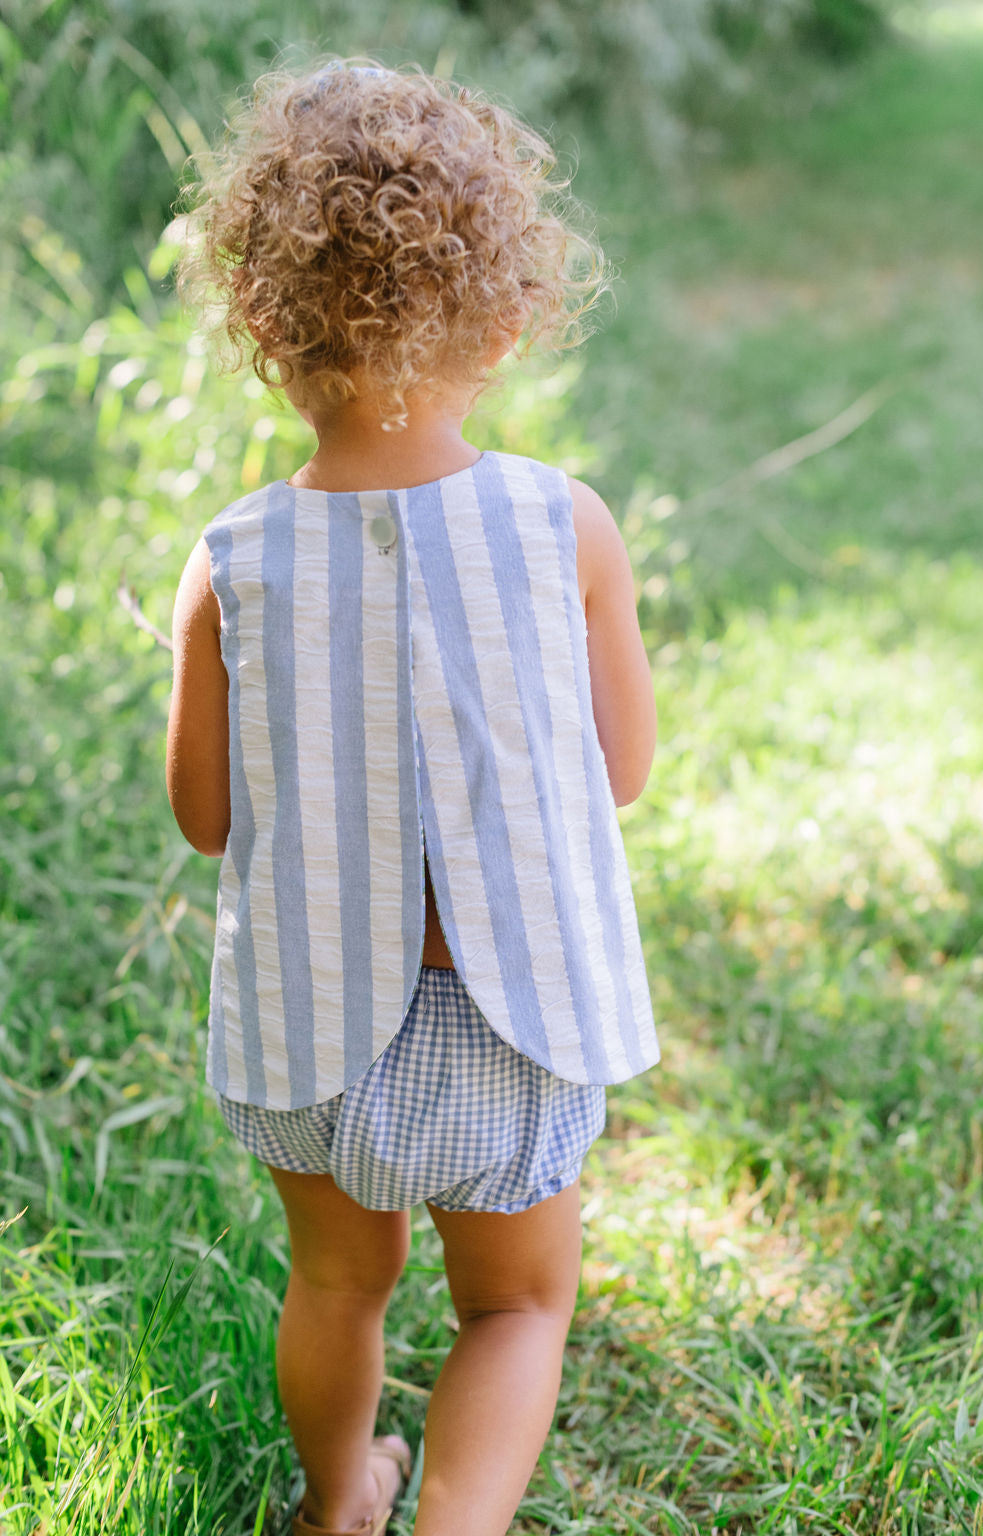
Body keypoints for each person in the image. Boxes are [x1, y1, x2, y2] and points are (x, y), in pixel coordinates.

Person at [167, 57, 659, 1536]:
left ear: (262, 331)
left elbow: (204, 818)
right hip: (514, 1027)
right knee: (513, 1310)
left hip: (310, 1030)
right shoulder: (563, 527)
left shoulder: (233, 561)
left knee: (336, 1282)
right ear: (510, 319)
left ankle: (339, 1504)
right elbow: (620, 771)